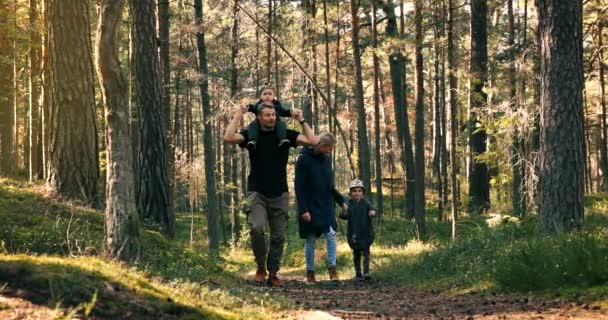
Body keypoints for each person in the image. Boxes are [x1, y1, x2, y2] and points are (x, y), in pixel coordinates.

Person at [223, 101, 316, 287]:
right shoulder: (251, 134)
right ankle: (260, 267)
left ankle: (273, 272)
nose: (271, 118)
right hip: (256, 191)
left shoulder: (286, 135)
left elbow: (313, 142)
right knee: (257, 228)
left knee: (278, 236)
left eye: (273, 115)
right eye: (267, 115)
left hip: (280, 193)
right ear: (259, 117)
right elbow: (228, 137)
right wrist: (238, 115)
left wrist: (301, 120)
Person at [295, 132, 347, 283]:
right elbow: (299, 187)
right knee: (311, 239)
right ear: (321, 145)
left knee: (331, 234)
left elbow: (329, 186)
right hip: (310, 206)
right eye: (328, 148)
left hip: (326, 205)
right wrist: (303, 209)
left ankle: (332, 269)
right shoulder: (303, 159)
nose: (330, 151)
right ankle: (310, 273)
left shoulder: (325, 160)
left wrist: (341, 201)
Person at [339, 179, 376, 281]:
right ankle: (358, 273)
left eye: (359, 191)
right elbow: (343, 216)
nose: (357, 193)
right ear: (351, 193)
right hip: (353, 233)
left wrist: (373, 212)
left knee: (366, 253)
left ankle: (366, 273)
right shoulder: (349, 204)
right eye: (354, 191)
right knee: (356, 253)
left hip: (366, 232)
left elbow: (373, 209)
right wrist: (344, 211)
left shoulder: (366, 203)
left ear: (362, 192)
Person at [241, 87, 292, 152]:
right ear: (261, 97)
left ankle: (282, 140)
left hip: (275, 123)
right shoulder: (259, 104)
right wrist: (247, 107)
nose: (267, 96)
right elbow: (253, 108)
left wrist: (291, 112)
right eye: (265, 94)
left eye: (270, 94)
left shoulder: (277, 104)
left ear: (274, 97)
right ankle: (252, 141)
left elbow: (283, 112)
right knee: (252, 126)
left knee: (281, 125)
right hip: (260, 123)